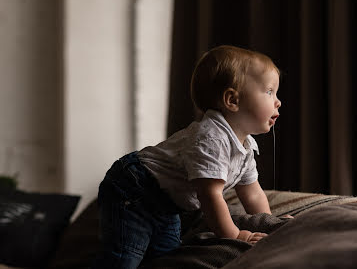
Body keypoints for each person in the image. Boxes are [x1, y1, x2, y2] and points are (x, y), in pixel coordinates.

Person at [91, 45, 282, 269]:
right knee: (124, 256)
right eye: (269, 92)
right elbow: (210, 196)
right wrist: (235, 235)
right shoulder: (212, 138)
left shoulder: (246, 147)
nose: (278, 101)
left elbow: (252, 193)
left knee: (166, 257)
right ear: (232, 100)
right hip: (134, 188)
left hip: (167, 203)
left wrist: (270, 226)